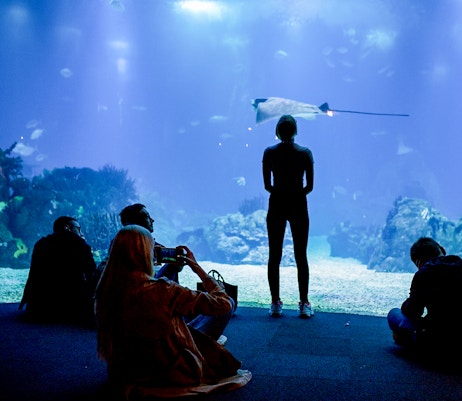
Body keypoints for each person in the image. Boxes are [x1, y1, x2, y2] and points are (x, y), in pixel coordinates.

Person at [95, 225, 251, 397]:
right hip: (171, 370)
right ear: (145, 253)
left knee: (179, 321)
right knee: (228, 303)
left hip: (128, 370)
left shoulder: (106, 289)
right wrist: (197, 268)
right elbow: (223, 304)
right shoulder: (163, 290)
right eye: (153, 248)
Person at [387, 237, 462, 364]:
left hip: (438, 349)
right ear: (442, 249)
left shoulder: (424, 274)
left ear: (419, 262)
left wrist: (412, 299)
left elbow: (413, 311)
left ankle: (408, 339)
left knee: (394, 314)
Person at [262, 114, 314, 318]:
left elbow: (267, 185)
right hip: (298, 205)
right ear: (295, 131)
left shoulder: (269, 152)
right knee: (301, 255)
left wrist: (280, 193)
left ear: (277, 131)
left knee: (274, 255)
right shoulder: (305, 153)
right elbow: (309, 186)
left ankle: (275, 302)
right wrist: (295, 194)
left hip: (276, 204)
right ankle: (304, 303)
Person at [19, 216, 97, 325]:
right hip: (70, 306)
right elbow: (91, 273)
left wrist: (26, 299)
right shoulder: (80, 244)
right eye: (78, 229)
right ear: (67, 227)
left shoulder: (41, 244)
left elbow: (33, 275)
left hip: (40, 306)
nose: (81, 233)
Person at [119, 203, 182, 282]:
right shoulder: (123, 243)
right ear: (136, 222)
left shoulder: (149, 242)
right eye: (147, 217)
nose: (152, 220)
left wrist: (177, 263)